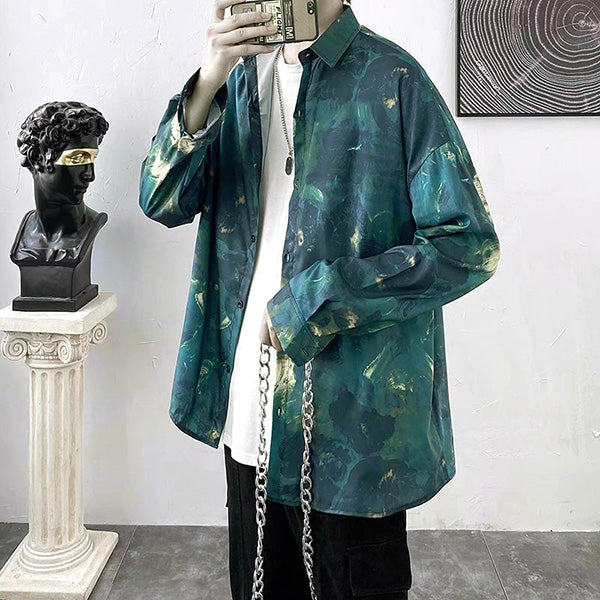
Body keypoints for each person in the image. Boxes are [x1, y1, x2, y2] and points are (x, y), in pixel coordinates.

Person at [138, 1, 501, 598]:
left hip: (353, 431)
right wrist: (208, 77)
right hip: (250, 414)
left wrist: (319, 298)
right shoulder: (237, 84)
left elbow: (468, 246)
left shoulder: (394, 80)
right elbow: (162, 199)